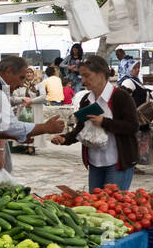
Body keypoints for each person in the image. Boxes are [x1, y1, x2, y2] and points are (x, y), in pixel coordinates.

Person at [52, 54, 139, 190]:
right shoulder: (86, 99)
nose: (83, 80)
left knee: (113, 206)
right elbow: (81, 129)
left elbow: (133, 126)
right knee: (95, 206)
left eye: (87, 75)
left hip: (117, 162)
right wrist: (65, 139)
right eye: (81, 76)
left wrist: (104, 122)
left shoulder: (121, 96)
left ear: (101, 74)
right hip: (95, 163)